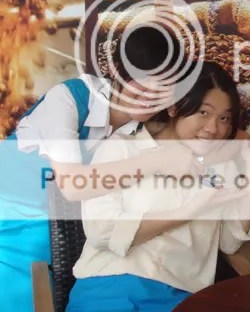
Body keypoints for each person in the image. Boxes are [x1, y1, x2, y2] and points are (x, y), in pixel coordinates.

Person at [0, 25, 205, 311]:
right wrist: (160, 161)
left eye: (164, 88)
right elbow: (73, 186)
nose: (151, 96)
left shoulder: (149, 123)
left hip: (69, 224)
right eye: (142, 83)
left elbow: (208, 130)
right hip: (13, 215)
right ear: (118, 72)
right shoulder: (67, 99)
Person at [66, 61, 250, 311]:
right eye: (203, 113)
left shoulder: (222, 167)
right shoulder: (123, 148)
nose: (213, 128)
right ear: (175, 106)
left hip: (184, 296)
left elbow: (229, 243)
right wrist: (188, 211)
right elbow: (101, 231)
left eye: (224, 118)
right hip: (112, 286)